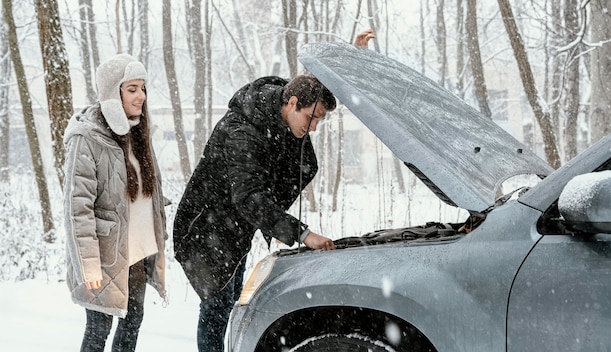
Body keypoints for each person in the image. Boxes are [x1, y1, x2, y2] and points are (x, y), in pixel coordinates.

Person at [173, 30, 376, 352]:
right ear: (292, 103)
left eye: (319, 121)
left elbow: (316, 83)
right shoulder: (242, 131)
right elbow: (249, 196)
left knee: (228, 304)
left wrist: (353, 58)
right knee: (216, 308)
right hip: (206, 227)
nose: (312, 128)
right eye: (311, 119)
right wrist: (302, 233)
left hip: (235, 224)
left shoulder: (291, 101)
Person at [63, 54, 167, 352]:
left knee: (132, 323)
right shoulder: (88, 137)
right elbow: (77, 209)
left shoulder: (140, 133)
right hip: (105, 258)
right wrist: (89, 267)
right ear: (113, 91)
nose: (141, 96)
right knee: (99, 331)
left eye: (143, 88)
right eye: (132, 88)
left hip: (137, 254)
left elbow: (139, 192)